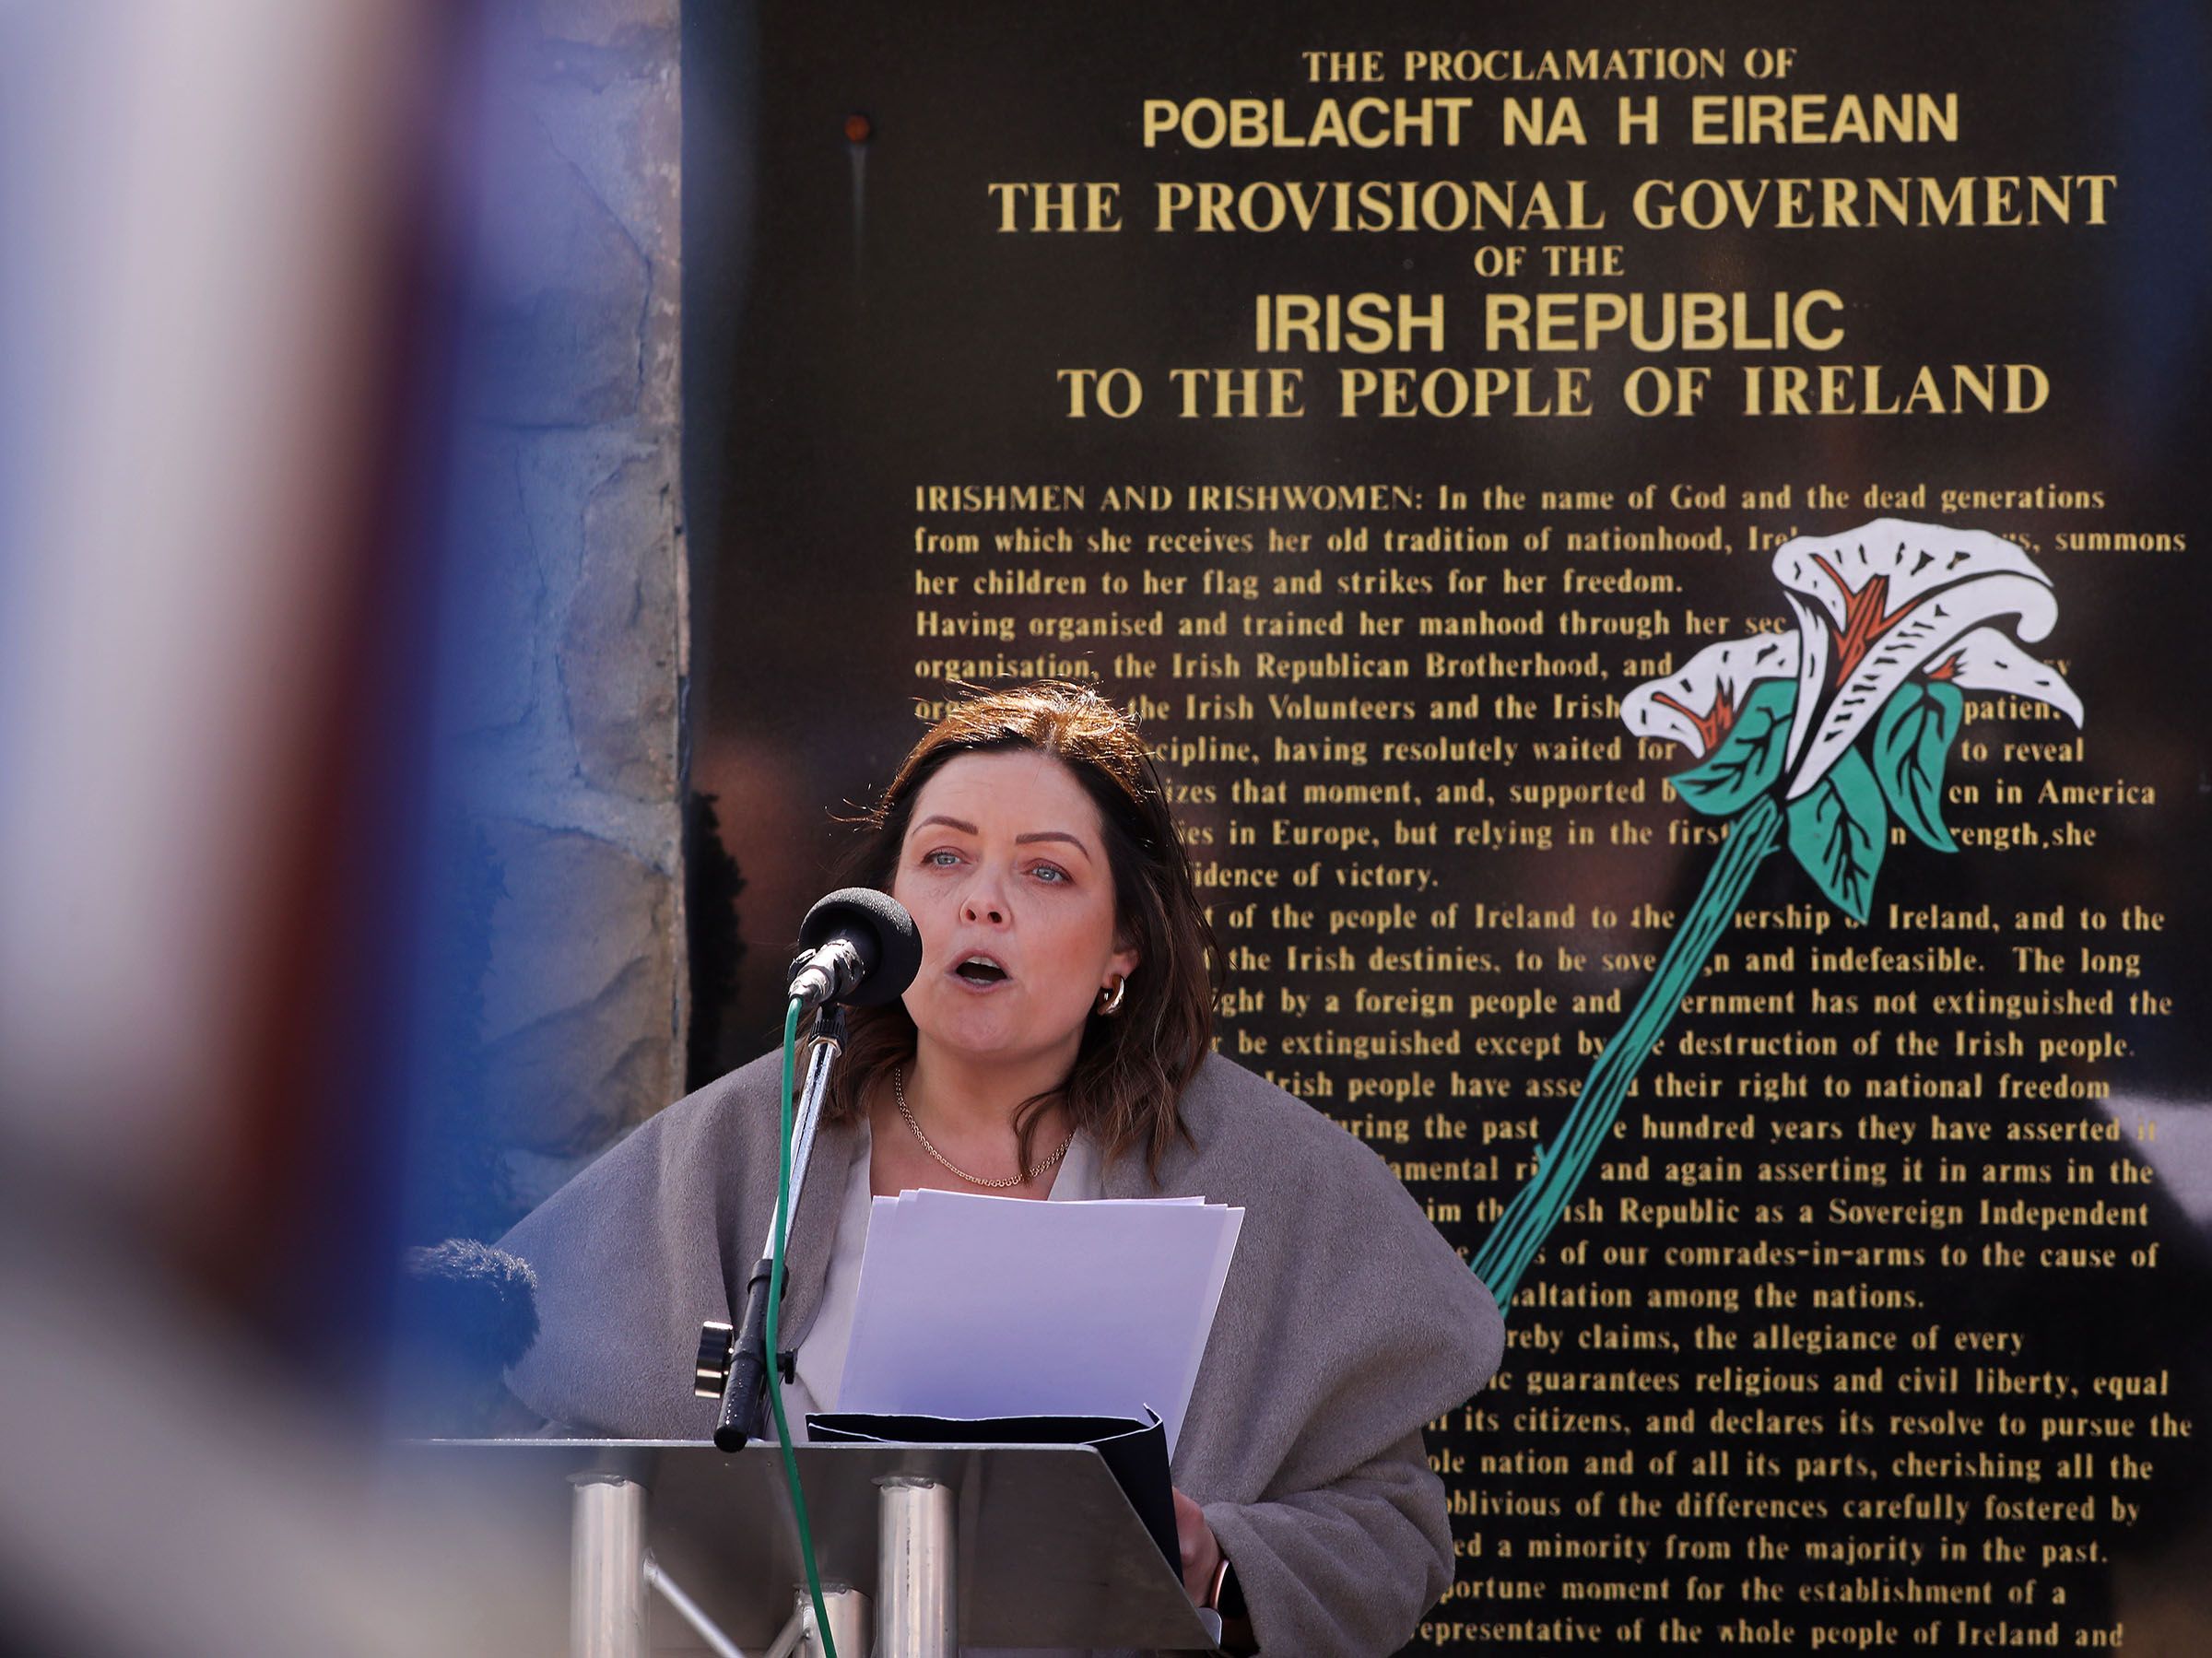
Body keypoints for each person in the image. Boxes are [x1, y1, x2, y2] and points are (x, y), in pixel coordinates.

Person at [500, 681, 1503, 1653]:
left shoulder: (1271, 1172)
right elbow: (552, 1469)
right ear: (889, 908)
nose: (982, 902)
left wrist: (1217, 1557)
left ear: (1123, 948)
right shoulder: (755, 1135)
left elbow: (1391, 1532)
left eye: (1046, 871)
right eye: (943, 858)